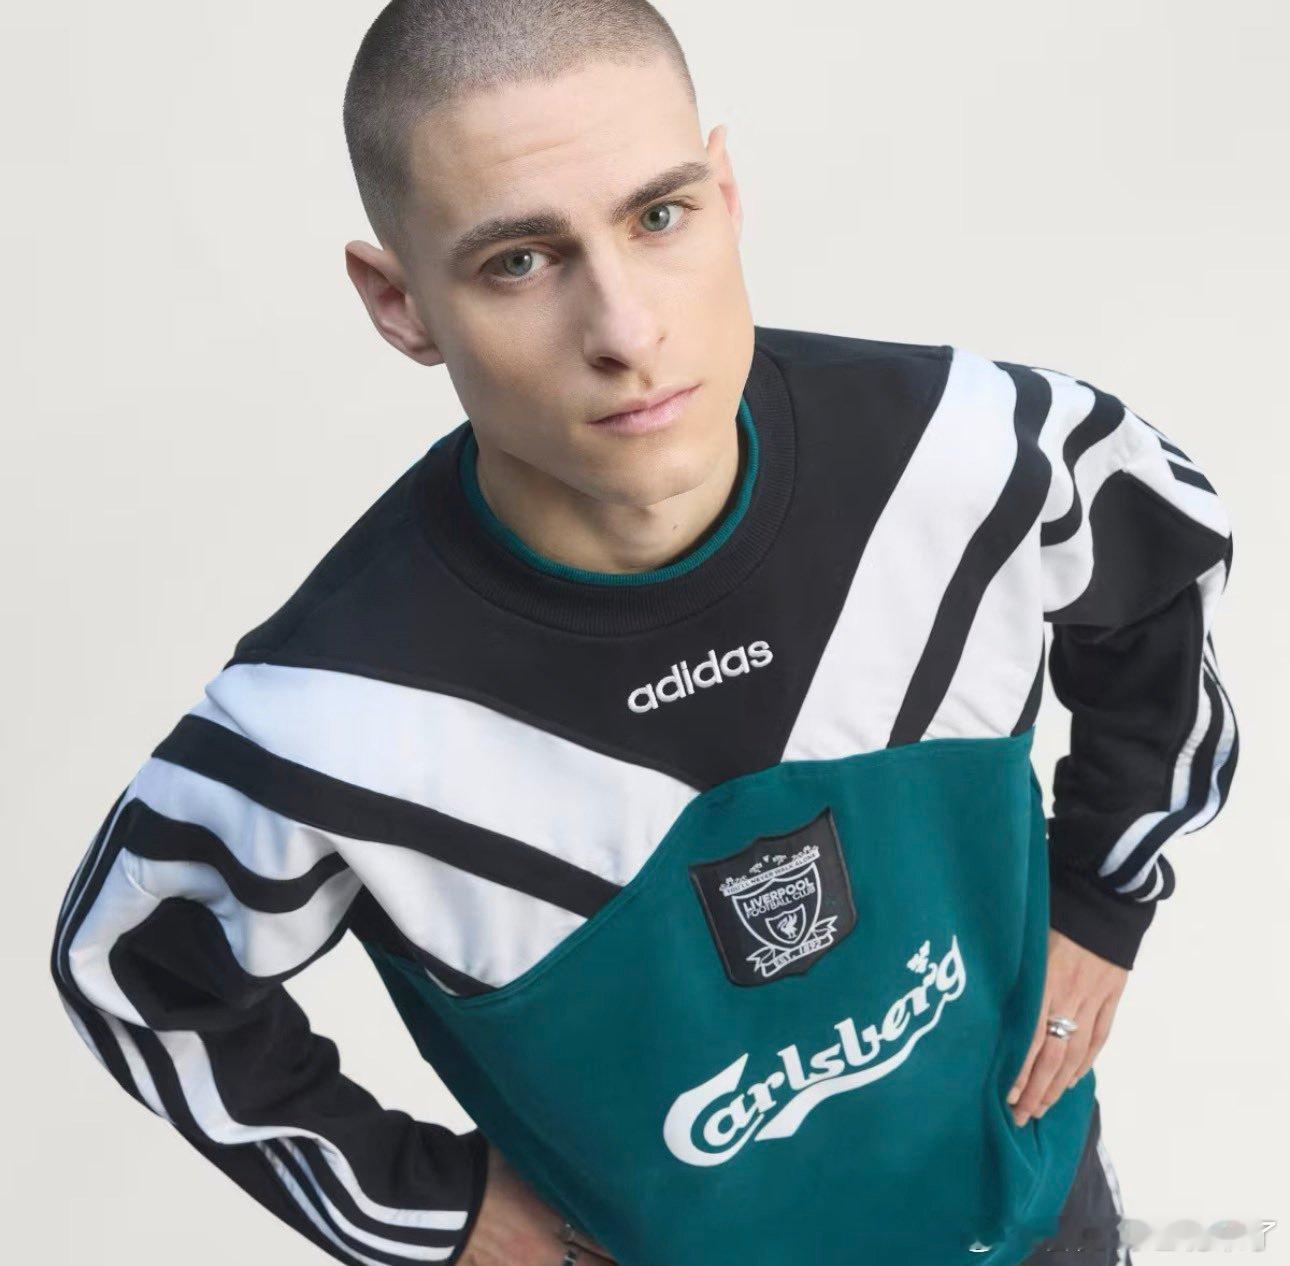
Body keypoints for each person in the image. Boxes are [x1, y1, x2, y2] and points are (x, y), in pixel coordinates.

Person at [49, 2, 1239, 1265]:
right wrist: (431, 1211)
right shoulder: (329, 716)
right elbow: (133, 968)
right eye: (520, 261)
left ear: (726, 193)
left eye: (659, 217)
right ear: (400, 303)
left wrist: (1107, 893)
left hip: (1033, 1211)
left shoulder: (974, 456)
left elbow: (1164, 554)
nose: (625, 332)